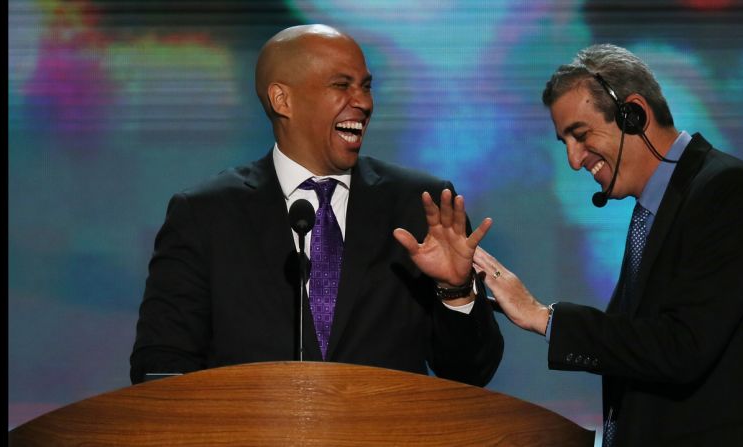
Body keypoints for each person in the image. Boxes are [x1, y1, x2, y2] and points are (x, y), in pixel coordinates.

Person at [129, 24, 503, 387]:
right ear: (282, 100)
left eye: (366, 86)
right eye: (342, 85)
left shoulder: (421, 207)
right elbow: (161, 365)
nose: (364, 102)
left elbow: (470, 373)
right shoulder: (204, 215)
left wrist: (456, 291)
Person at [470, 44, 743, 446]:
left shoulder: (727, 190)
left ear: (633, 113)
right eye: (564, 142)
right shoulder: (656, 208)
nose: (573, 159)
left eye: (580, 135)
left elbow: (682, 348)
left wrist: (543, 317)